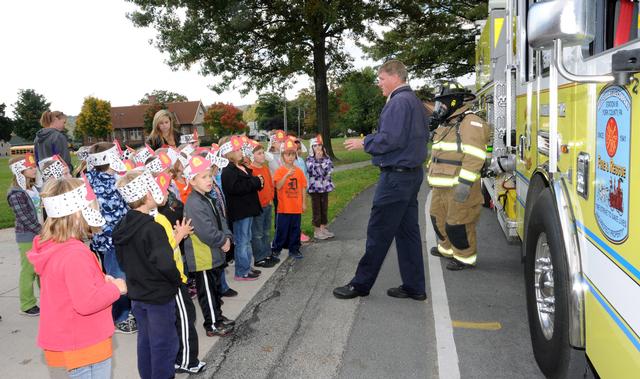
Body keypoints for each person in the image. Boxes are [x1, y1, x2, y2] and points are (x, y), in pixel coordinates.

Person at [333, 60, 429, 301]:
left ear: (395, 76)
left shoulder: (398, 102)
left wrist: (364, 142)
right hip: (411, 174)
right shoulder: (414, 102)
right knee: (408, 233)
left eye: (381, 78)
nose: (379, 84)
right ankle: (414, 286)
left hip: (396, 178)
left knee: (379, 232)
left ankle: (360, 284)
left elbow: (391, 139)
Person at [28, 177, 127, 378]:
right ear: (76, 214)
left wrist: (100, 282)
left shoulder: (53, 246)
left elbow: (70, 288)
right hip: (85, 341)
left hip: (73, 337)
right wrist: (116, 288)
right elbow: (86, 302)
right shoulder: (74, 254)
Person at [113, 170, 182, 379]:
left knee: (146, 341)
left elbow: (123, 261)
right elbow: (165, 263)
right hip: (158, 295)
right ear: (147, 196)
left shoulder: (122, 226)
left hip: (138, 293)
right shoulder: (152, 229)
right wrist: (176, 281)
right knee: (164, 344)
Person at [427, 81, 490, 270]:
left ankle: (464, 257)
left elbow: (475, 156)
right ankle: (446, 249)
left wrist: (464, 184)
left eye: (442, 104)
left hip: (460, 186)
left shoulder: (470, 122)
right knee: (437, 218)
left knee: (458, 224)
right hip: (441, 187)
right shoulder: (448, 124)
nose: (439, 108)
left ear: (454, 102)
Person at [85, 142, 136, 334]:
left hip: (121, 237)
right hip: (111, 240)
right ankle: (120, 316)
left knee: (123, 274)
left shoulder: (109, 178)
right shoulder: (99, 182)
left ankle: (127, 311)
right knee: (117, 277)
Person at [182, 155, 235, 337]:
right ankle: (212, 324)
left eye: (210, 176)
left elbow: (221, 219)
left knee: (215, 290)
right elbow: (205, 231)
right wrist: (222, 241)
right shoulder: (194, 203)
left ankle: (217, 317)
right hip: (202, 257)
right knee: (208, 294)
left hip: (213, 254)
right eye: (203, 177)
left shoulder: (207, 198)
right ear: (192, 181)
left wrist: (227, 235)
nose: (209, 180)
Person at [220, 136, 264, 280]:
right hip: (240, 211)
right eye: (237, 149)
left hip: (248, 209)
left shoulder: (241, 166)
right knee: (242, 241)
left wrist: (256, 182)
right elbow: (234, 188)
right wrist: (256, 182)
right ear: (229, 152)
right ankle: (241, 271)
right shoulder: (228, 170)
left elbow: (248, 182)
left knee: (247, 239)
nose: (241, 151)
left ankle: (246, 266)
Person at [7, 154, 41, 316]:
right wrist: (43, 231)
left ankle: (49, 298)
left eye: (34, 166)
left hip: (41, 234)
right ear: (19, 171)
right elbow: (25, 218)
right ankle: (27, 304)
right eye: (30, 167)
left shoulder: (33, 188)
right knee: (29, 270)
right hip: (28, 236)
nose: (34, 169)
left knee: (43, 269)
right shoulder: (16, 194)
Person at [271, 138, 308, 260]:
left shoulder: (299, 171)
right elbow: (278, 186)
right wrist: (287, 175)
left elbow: (303, 187)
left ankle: (294, 249)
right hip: (284, 208)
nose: (290, 157)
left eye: (292, 154)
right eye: (288, 154)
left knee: (295, 230)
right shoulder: (280, 171)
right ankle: (276, 249)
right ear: (283, 157)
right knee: (282, 230)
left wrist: (303, 203)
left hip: (296, 207)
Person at [250, 143, 277, 268]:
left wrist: (271, 197)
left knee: (266, 231)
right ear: (252, 156)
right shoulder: (251, 170)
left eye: (263, 153)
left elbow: (270, 185)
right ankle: (259, 257)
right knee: (258, 233)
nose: (262, 155)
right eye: (259, 153)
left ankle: (267, 253)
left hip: (268, 204)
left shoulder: (265, 168)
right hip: (258, 207)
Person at [305, 135, 335, 240]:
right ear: (311, 148)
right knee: (316, 208)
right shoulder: (309, 159)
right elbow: (314, 172)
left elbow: (329, 171)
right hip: (315, 188)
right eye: (315, 146)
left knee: (324, 207)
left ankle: (323, 228)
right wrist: (318, 161)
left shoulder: (326, 158)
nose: (318, 148)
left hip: (325, 187)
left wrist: (322, 162)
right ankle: (317, 230)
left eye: (319, 145)